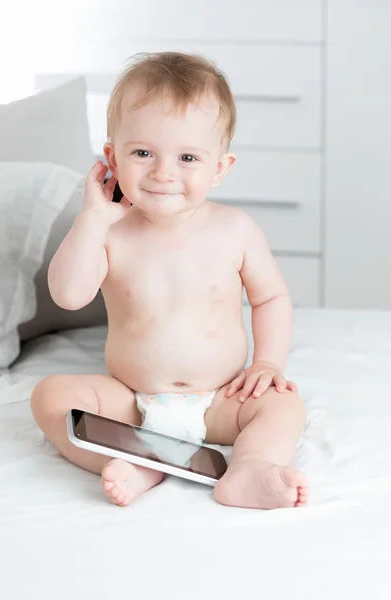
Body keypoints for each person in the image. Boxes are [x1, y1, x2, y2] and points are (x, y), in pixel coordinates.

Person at [31, 51, 308, 509]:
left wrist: (269, 365)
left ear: (219, 168)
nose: (163, 172)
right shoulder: (110, 232)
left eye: (187, 157)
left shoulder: (235, 229)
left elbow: (271, 297)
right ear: (111, 159)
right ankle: (136, 460)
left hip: (221, 400)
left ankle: (249, 468)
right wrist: (92, 219)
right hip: (130, 403)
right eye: (142, 153)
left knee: (284, 407)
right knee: (51, 397)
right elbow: (68, 294)